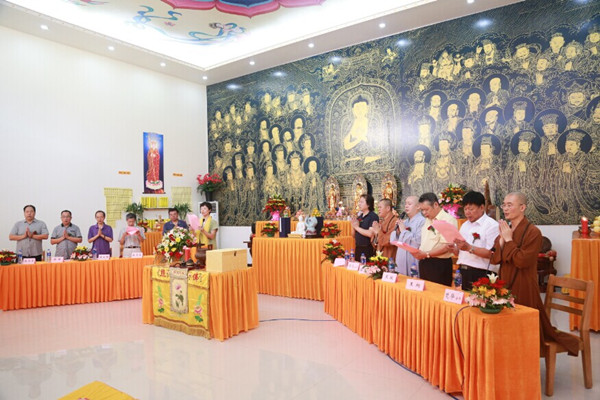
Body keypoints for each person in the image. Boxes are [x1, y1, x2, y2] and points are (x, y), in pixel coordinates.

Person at [490, 192, 579, 355]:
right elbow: (495, 258)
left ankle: (526, 359)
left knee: (523, 326)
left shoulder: (533, 232)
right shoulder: (506, 230)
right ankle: (509, 359)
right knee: (505, 326)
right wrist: (502, 240)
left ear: (522, 207)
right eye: (504, 205)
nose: (505, 209)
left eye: (510, 205)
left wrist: (509, 240)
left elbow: (522, 261)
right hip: (504, 282)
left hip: (523, 284)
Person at [449, 191, 499, 290]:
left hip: (481, 273)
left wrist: (469, 248)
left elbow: (492, 254)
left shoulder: (492, 226)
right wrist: (454, 249)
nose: (467, 212)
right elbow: (461, 252)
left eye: (471, 209)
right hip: (463, 271)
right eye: (465, 209)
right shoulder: (465, 225)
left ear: (482, 207)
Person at [413, 193, 457, 286]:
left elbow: (446, 246)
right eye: (422, 210)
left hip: (439, 265)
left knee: (437, 293)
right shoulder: (428, 220)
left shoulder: (448, 220)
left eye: (426, 209)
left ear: (436, 205)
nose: (424, 213)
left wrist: (426, 254)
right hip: (424, 262)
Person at [390, 196, 425, 276]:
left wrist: (403, 231)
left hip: (412, 257)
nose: (406, 206)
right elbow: (394, 241)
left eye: (409, 204)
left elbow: (418, 241)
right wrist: (398, 232)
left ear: (418, 206)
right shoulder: (405, 222)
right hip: (401, 256)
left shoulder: (422, 221)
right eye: (405, 204)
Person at [351, 194, 379, 261]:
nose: (359, 204)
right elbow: (353, 235)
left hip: (368, 248)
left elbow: (370, 234)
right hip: (358, 247)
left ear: (368, 204)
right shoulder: (360, 216)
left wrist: (356, 227)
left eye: (361, 202)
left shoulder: (373, 216)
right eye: (359, 202)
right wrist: (353, 226)